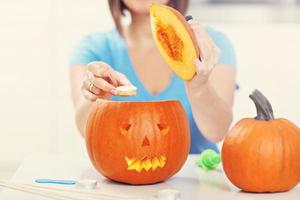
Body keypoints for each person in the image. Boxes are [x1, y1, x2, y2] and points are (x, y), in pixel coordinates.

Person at [69, 0, 236, 154]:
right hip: (124, 183)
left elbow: (217, 132)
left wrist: (199, 86)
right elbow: (84, 129)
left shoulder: (210, 45)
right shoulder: (92, 48)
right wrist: (97, 97)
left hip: (196, 181)